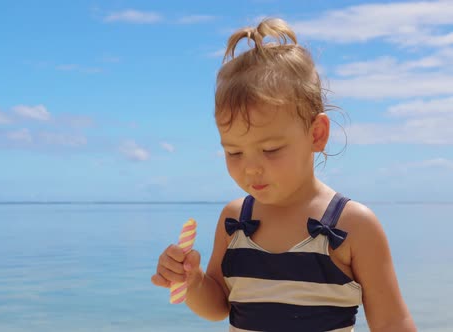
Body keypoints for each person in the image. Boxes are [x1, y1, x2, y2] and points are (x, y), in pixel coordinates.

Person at [151, 17, 416, 332]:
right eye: (234, 151)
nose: (250, 167)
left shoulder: (353, 225)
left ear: (316, 135)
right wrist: (192, 282)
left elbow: (391, 322)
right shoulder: (235, 221)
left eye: (271, 149)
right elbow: (219, 305)